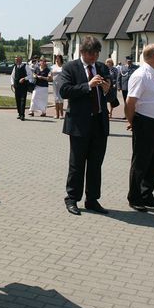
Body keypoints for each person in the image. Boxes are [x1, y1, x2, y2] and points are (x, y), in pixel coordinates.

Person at [59, 35, 111, 216]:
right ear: (82, 52)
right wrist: (87, 85)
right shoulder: (70, 67)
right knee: (77, 164)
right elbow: (64, 91)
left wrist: (108, 90)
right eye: (90, 54)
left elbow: (111, 96)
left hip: (99, 123)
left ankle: (92, 199)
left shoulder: (102, 68)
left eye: (96, 53)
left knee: (96, 164)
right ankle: (72, 198)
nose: (94, 57)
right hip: (79, 124)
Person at [125, 43, 154, 212]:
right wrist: (132, 122)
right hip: (144, 122)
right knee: (141, 162)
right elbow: (130, 102)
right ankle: (135, 197)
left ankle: (146, 195)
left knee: (153, 161)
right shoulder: (141, 75)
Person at [10, 55, 33, 121]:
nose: (16, 61)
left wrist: (24, 78)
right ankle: (19, 113)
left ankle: (22, 115)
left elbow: (30, 75)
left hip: (23, 86)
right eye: (15, 59)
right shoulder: (15, 67)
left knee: (23, 100)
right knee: (17, 100)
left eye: (17, 59)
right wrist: (12, 83)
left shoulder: (26, 66)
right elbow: (12, 76)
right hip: (17, 86)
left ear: (20, 60)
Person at [49, 54, 65, 119]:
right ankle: (57, 114)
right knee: (56, 99)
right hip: (55, 84)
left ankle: (61, 114)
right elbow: (50, 75)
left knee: (60, 98)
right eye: (56, 58)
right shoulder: (53, 67)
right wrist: (49, 76)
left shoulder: (63, 66)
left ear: (61, 59)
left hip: (62, 84)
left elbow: (66, 75)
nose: (57, 60)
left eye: (58, 58)